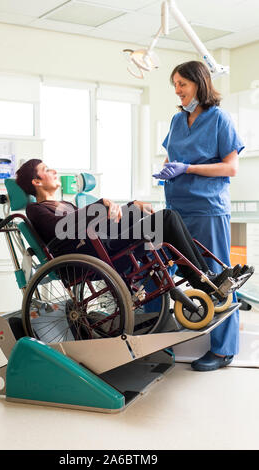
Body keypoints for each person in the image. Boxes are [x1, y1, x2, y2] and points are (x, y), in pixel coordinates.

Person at [15, 159, 241, 301]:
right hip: (95, 256)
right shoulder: (35, 209)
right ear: (36, 181)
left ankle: (208, 277)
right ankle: (204, 282)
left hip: (103, 245)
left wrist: (132, 206)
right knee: (168, 219)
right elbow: (61, 228)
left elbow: (96, 221)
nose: (54, 170)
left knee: (165, 217)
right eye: (46, 169)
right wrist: (99, 204)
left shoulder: (65, 205)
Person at [153, 60, 247, 371]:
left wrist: (189, 168)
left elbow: (231, 167)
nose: (178, 91)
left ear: (199, 84)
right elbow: (171, 157)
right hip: (176, 208)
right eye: (175, 85)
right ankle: (155, 338)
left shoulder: (219, 118)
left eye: (182, 84)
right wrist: (167, 170)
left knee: (217, 278)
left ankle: (223, 350)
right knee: (163, 272)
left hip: (207, 208)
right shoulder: (177, 121)